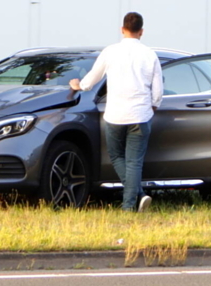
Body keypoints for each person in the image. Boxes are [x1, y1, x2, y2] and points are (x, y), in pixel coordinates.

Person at [70, 12, 163, 212]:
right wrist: (152, 108)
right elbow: (158, 91)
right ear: (142, 31)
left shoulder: (110, 52)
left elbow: (91, 80)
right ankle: (136, 198)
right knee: (134, 162)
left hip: (115, 114)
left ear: (122, 30)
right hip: (141, 115)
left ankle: (131, 203)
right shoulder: (149, 54)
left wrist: (78, 85)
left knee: (115, 156)